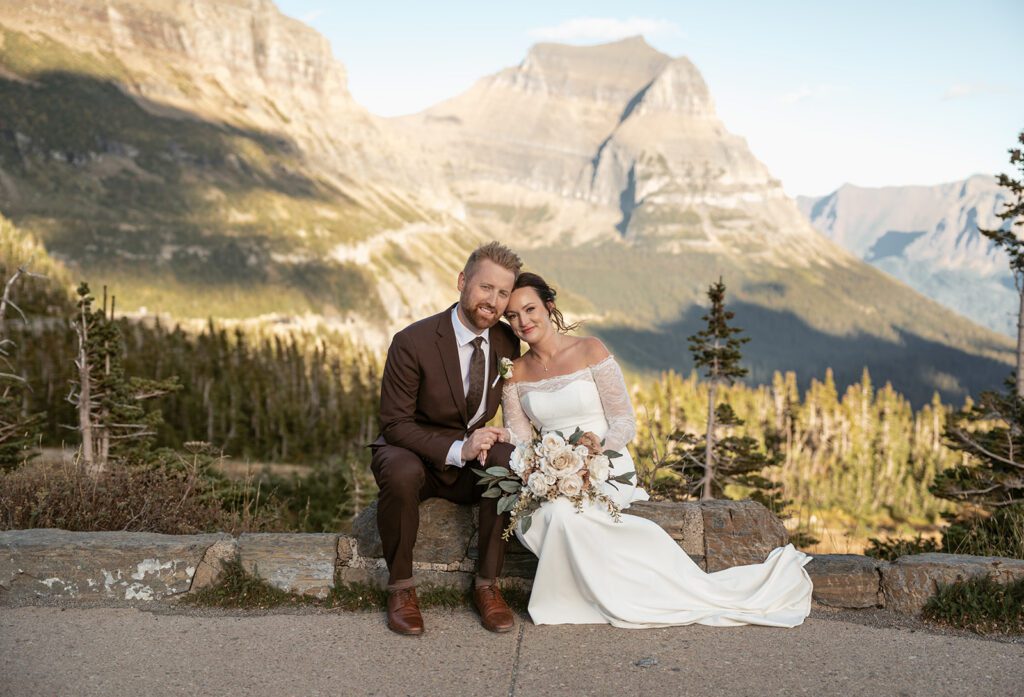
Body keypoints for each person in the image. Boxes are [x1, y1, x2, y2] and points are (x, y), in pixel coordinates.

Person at [501, 272, 814, 628]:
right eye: (512, 315)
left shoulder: (590, 350)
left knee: (562, 515)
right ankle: (593, 597)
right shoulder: (514, 374)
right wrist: (536, 468)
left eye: (529, 309)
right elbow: (521, 441)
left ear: (549, 307)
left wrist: (600, 447)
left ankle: (592, 599)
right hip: (551, 475)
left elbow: (624, 420)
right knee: (551, 513)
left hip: (607, 464)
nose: (522, 321)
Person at [371, 241, 522, 635]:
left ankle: (488, 585)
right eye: (485, 287)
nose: (493, 300)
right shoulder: (413, 341)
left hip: (472, 460)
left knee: (507, 460)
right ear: (462, 282)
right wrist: (458, 448)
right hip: (416, 452)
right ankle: (401, 588)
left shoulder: (507, 342)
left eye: (503, 293)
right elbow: (395, 423)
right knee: (400, 470)